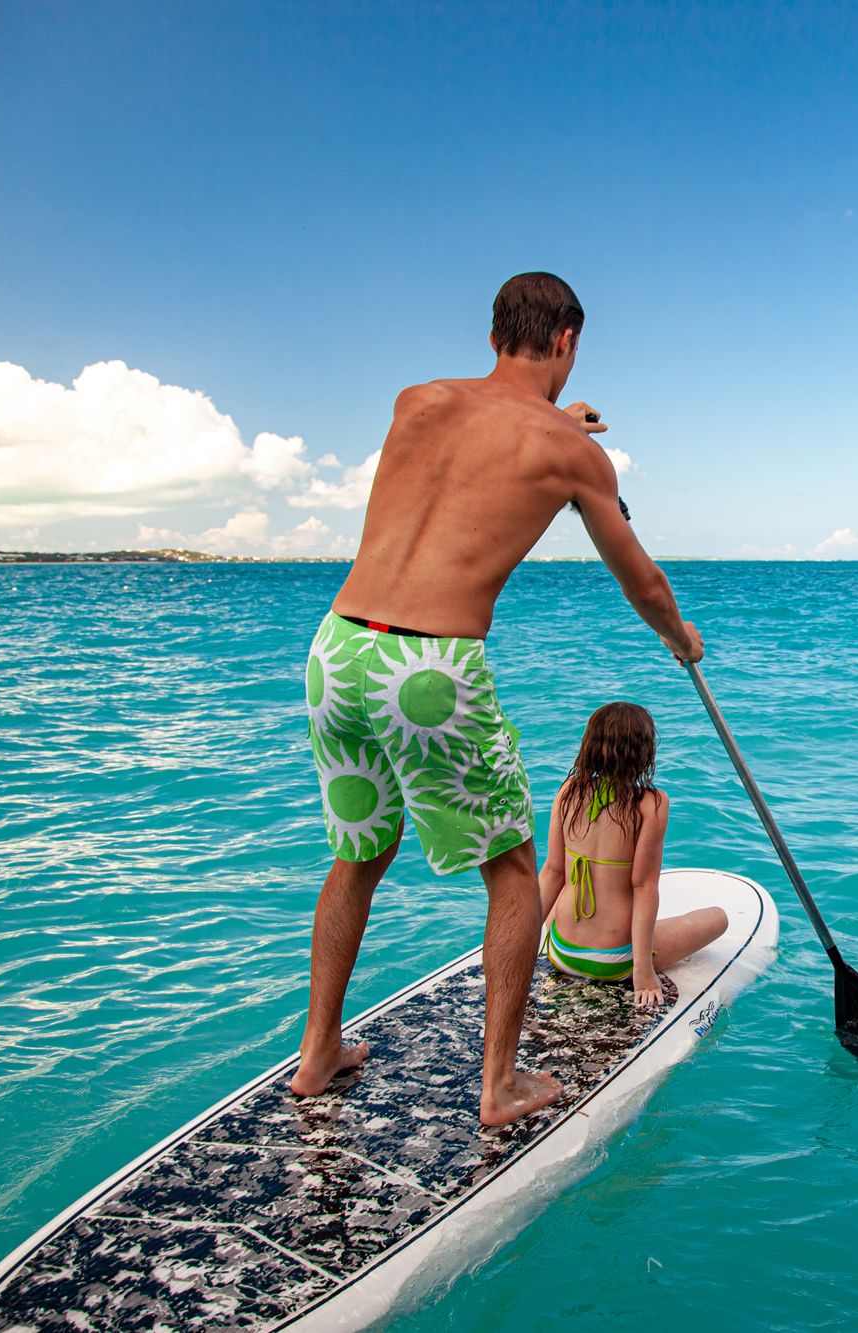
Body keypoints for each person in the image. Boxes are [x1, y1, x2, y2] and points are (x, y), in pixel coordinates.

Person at [296, 272, 703, 1126]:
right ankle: (498, 1086)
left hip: (337, 649)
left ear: (493, 336)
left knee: (359, 856)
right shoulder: (572, 454)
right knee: (516, 873)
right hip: (428, 669)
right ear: (566, 342)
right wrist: (680, 636)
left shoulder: (416, 402)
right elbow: (643, 579)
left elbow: (484, 438)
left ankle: (319, 1051)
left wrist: (559, 418)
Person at [538, 703, 727, 1001]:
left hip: (560, 950)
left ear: (589, 746)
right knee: (718, 918)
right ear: (644, 752)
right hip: (614, 961)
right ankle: (634, 959)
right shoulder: (650, 804)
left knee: (564, 882)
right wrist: (643, 972)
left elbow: (552, 872)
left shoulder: (568, 790)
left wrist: (518, 948)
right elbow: (644, 888)